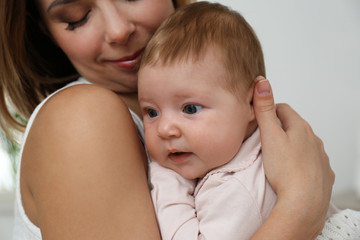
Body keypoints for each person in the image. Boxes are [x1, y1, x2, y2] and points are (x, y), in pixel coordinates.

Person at [0, 0, 334, 239]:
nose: (118, 31)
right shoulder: (81, 121)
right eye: (77, 16)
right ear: (45, 30)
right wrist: (299, 208)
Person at [138, 2, 360, 240]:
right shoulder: (258, 155)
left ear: (252, 104)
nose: (164, 129)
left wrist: (167, 179)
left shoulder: (237, 188)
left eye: (190, 109)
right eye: (152, 112)